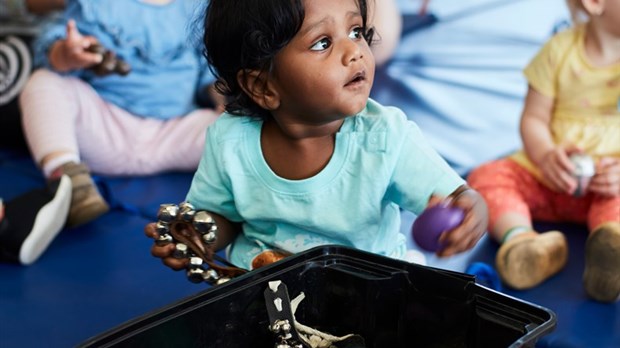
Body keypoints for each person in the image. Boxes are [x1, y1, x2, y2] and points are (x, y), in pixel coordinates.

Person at [146, 0, 488, 273]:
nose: (354, 51)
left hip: (370, 292)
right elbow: (221, 219)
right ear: (262, 86)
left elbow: (457, 195)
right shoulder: (230, 140)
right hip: (265, 295)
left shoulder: (384, 136)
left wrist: (471, 210)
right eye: (322, 42)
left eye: (356, 31)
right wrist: (194, 236)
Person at [18, 0, 222, 228]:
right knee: (43, 83)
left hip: (176, 132)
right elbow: (52, 45)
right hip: (106, 128)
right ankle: (67, 178)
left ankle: (249, 189)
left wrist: (224, 101)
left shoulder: (197, 7)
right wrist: (66, 54)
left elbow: (210, 70)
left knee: (237, 126)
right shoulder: (94, 5)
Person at [468, 0, 620, 303]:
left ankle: (610, 254)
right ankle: (523, 242)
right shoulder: (558, 51)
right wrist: (546, 155)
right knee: (487, 176)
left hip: (607, 187)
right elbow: (533, 118)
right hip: (544, 180)